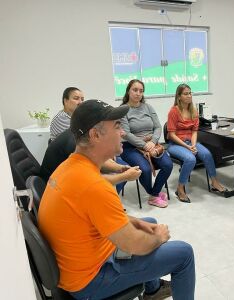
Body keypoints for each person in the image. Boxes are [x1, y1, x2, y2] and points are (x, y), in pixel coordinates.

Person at [39, 99, 196, 300]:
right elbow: (135, 245)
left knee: (148, 223)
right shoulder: (95, 185)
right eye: (117, 126)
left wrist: (138, 223)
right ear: (95, 135)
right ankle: (152, 286)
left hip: (80, 265)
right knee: (183, 253)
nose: (122, 132)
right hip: (91, 281)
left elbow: (98, 216)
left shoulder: (68, 167)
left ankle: (153, 291)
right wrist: (159, 238)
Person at [167, 83, 227, 202]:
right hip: (176, 144)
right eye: (185, 94)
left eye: (190, 93)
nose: (189, 96)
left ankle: (214, 182)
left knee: (207, 154)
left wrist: (193, 145)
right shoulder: (173, 111)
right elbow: (171, 135)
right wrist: (187, 147)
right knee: (191, 159)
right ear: (179, 96)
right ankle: (180, 188)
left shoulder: (193, 111)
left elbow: (194, 131)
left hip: (191, 142)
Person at [120, 79, 173, 208]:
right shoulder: (122, 110)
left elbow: (158, 127)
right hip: (130, 147)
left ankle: (153, 194)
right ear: (128, 91)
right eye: (135, 90)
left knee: (168, 165)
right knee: (145, 169)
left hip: (151, 144)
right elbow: (126, 134)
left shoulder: (148, 107)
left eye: (141, 91)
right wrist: (144, 145)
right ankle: (154, 194)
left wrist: (153, 141)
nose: (138, 93)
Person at [40, 129, 137, 195]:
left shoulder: (78, 135)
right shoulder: (75, 144)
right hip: (57, 188)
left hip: (61, 184)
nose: (122, 132)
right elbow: (91, 181)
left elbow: (97, 159)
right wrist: (124, 176)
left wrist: (120, 168)